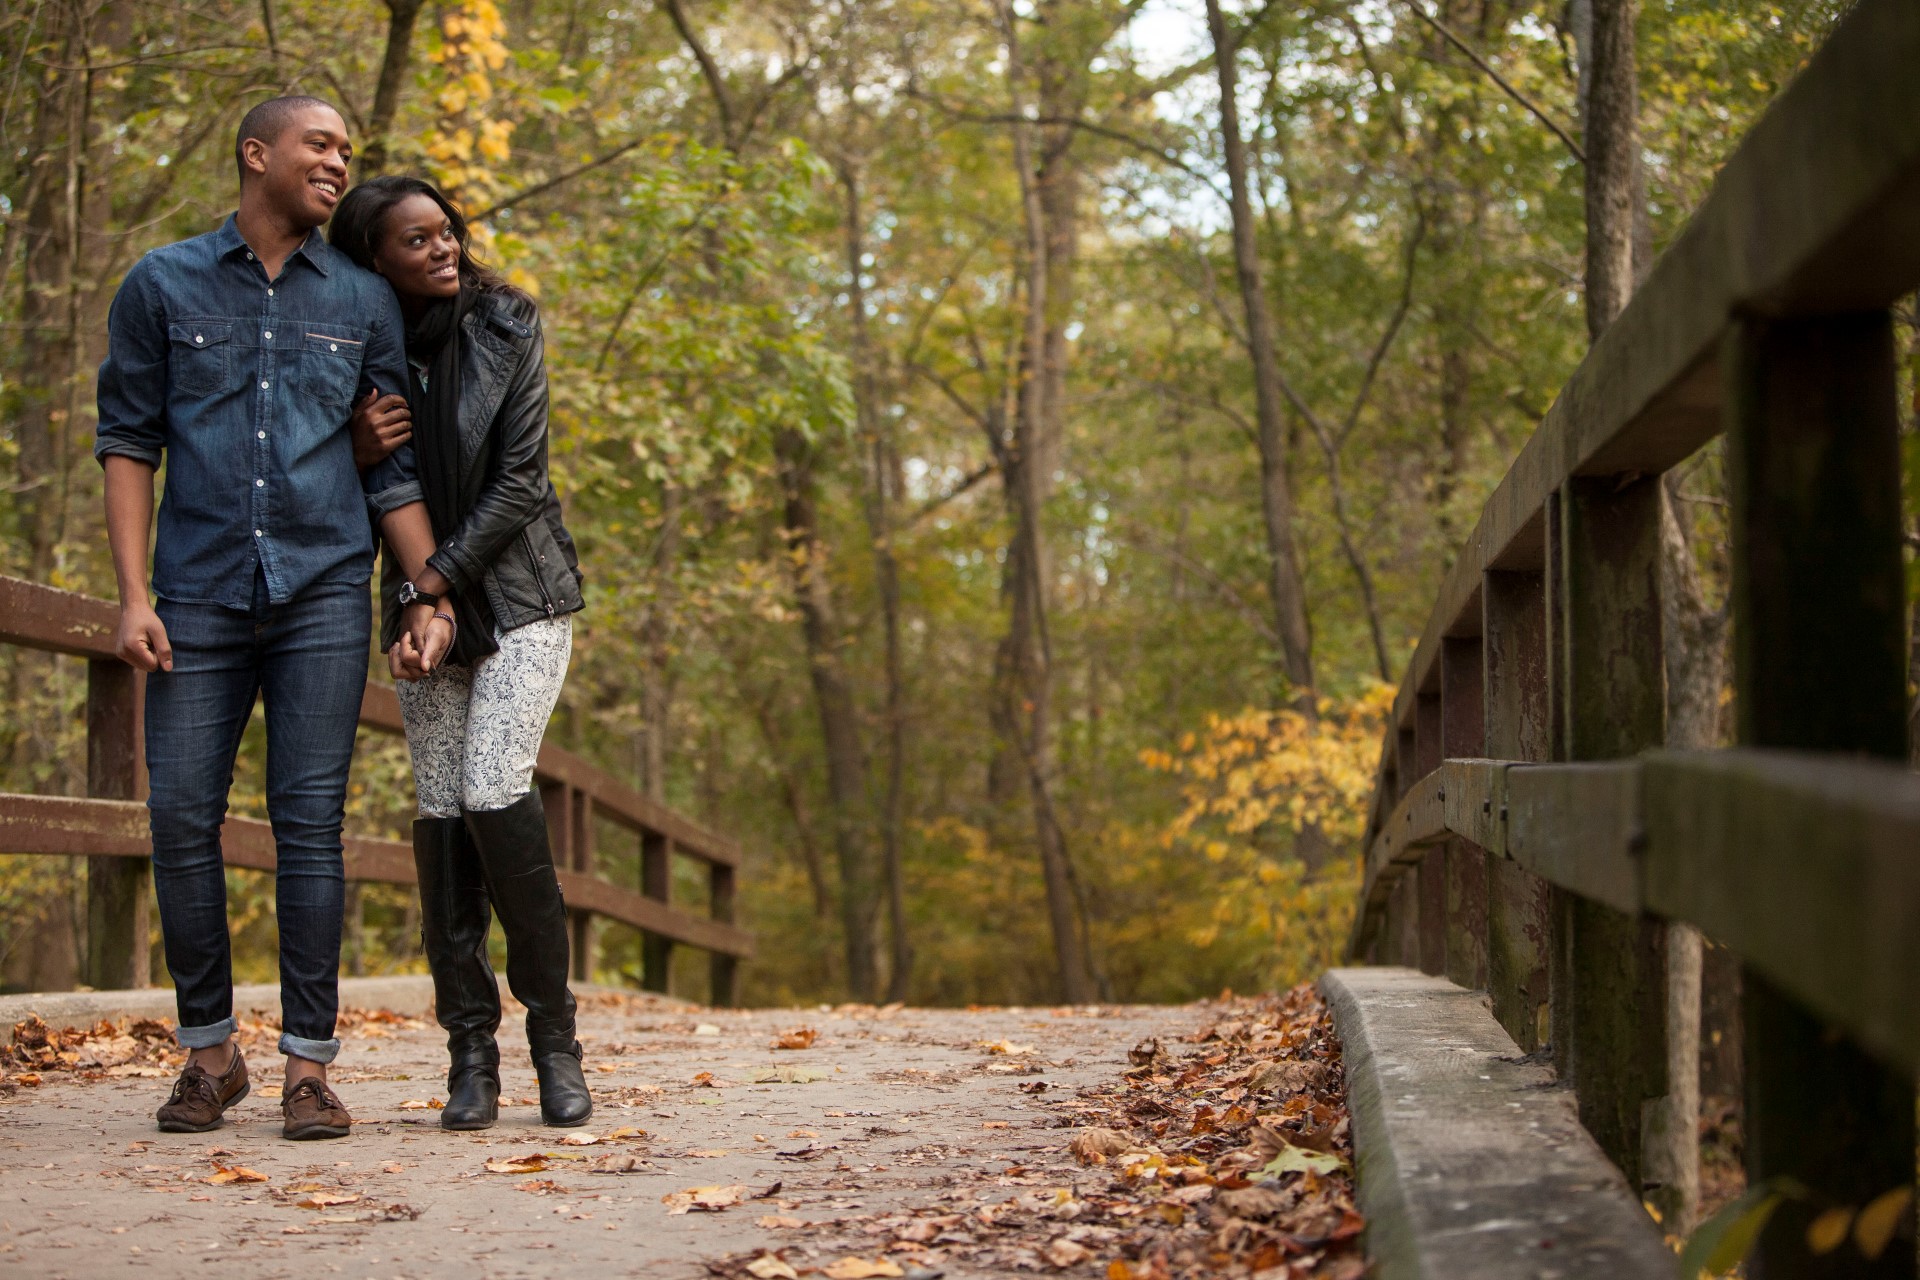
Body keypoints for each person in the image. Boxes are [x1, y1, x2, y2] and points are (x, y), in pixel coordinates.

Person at [95, 96, 443, 1139]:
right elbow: (127, 442)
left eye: (347, 150)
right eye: (319, 146)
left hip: (325, 591)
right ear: (258, 154)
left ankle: (307, 1065)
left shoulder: (365, 299)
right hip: (195, 591)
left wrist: (432, 592)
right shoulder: (160, 282)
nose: (339, 163)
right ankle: (208, 1052)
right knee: (178, 820)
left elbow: (391, 471)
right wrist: (130, 595)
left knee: (310, 827)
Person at [331, 174, 591, 1130]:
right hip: (415, 608)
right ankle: (469, 1054)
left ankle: (555, 1040)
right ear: (374, 261)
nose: (443, 250)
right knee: (440, 810)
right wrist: (355, 453)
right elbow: (344, 488)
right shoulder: (360, 347)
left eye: (446, 233)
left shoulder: (507, 324)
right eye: (415, 241)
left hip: (521, 599)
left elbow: (521, 483)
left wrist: (432, 583)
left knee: (491, 787)